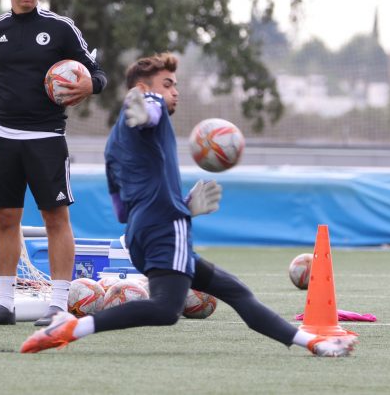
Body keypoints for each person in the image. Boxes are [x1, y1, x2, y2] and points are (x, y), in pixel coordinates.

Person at [19, 53, 358, 357]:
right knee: (166, 309)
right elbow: (148, 109)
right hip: (167, 230)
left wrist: (182, 204)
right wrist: (177, 208)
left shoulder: (113, 146)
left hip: (141, 234)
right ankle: (71, 326)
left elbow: (122, 211)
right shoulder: (147, 108)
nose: (174, 91)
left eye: (175, 85)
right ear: (143, 88)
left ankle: (315, 343)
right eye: (168, 84)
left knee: (236, 291)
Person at [0, 0, 108, 327]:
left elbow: (97, 73)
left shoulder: (61, 29)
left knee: (55, 218)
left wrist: (90, 84)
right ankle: (3, 305)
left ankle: (58, 305)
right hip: (1, 138)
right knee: (6, 219)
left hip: (46, 138)